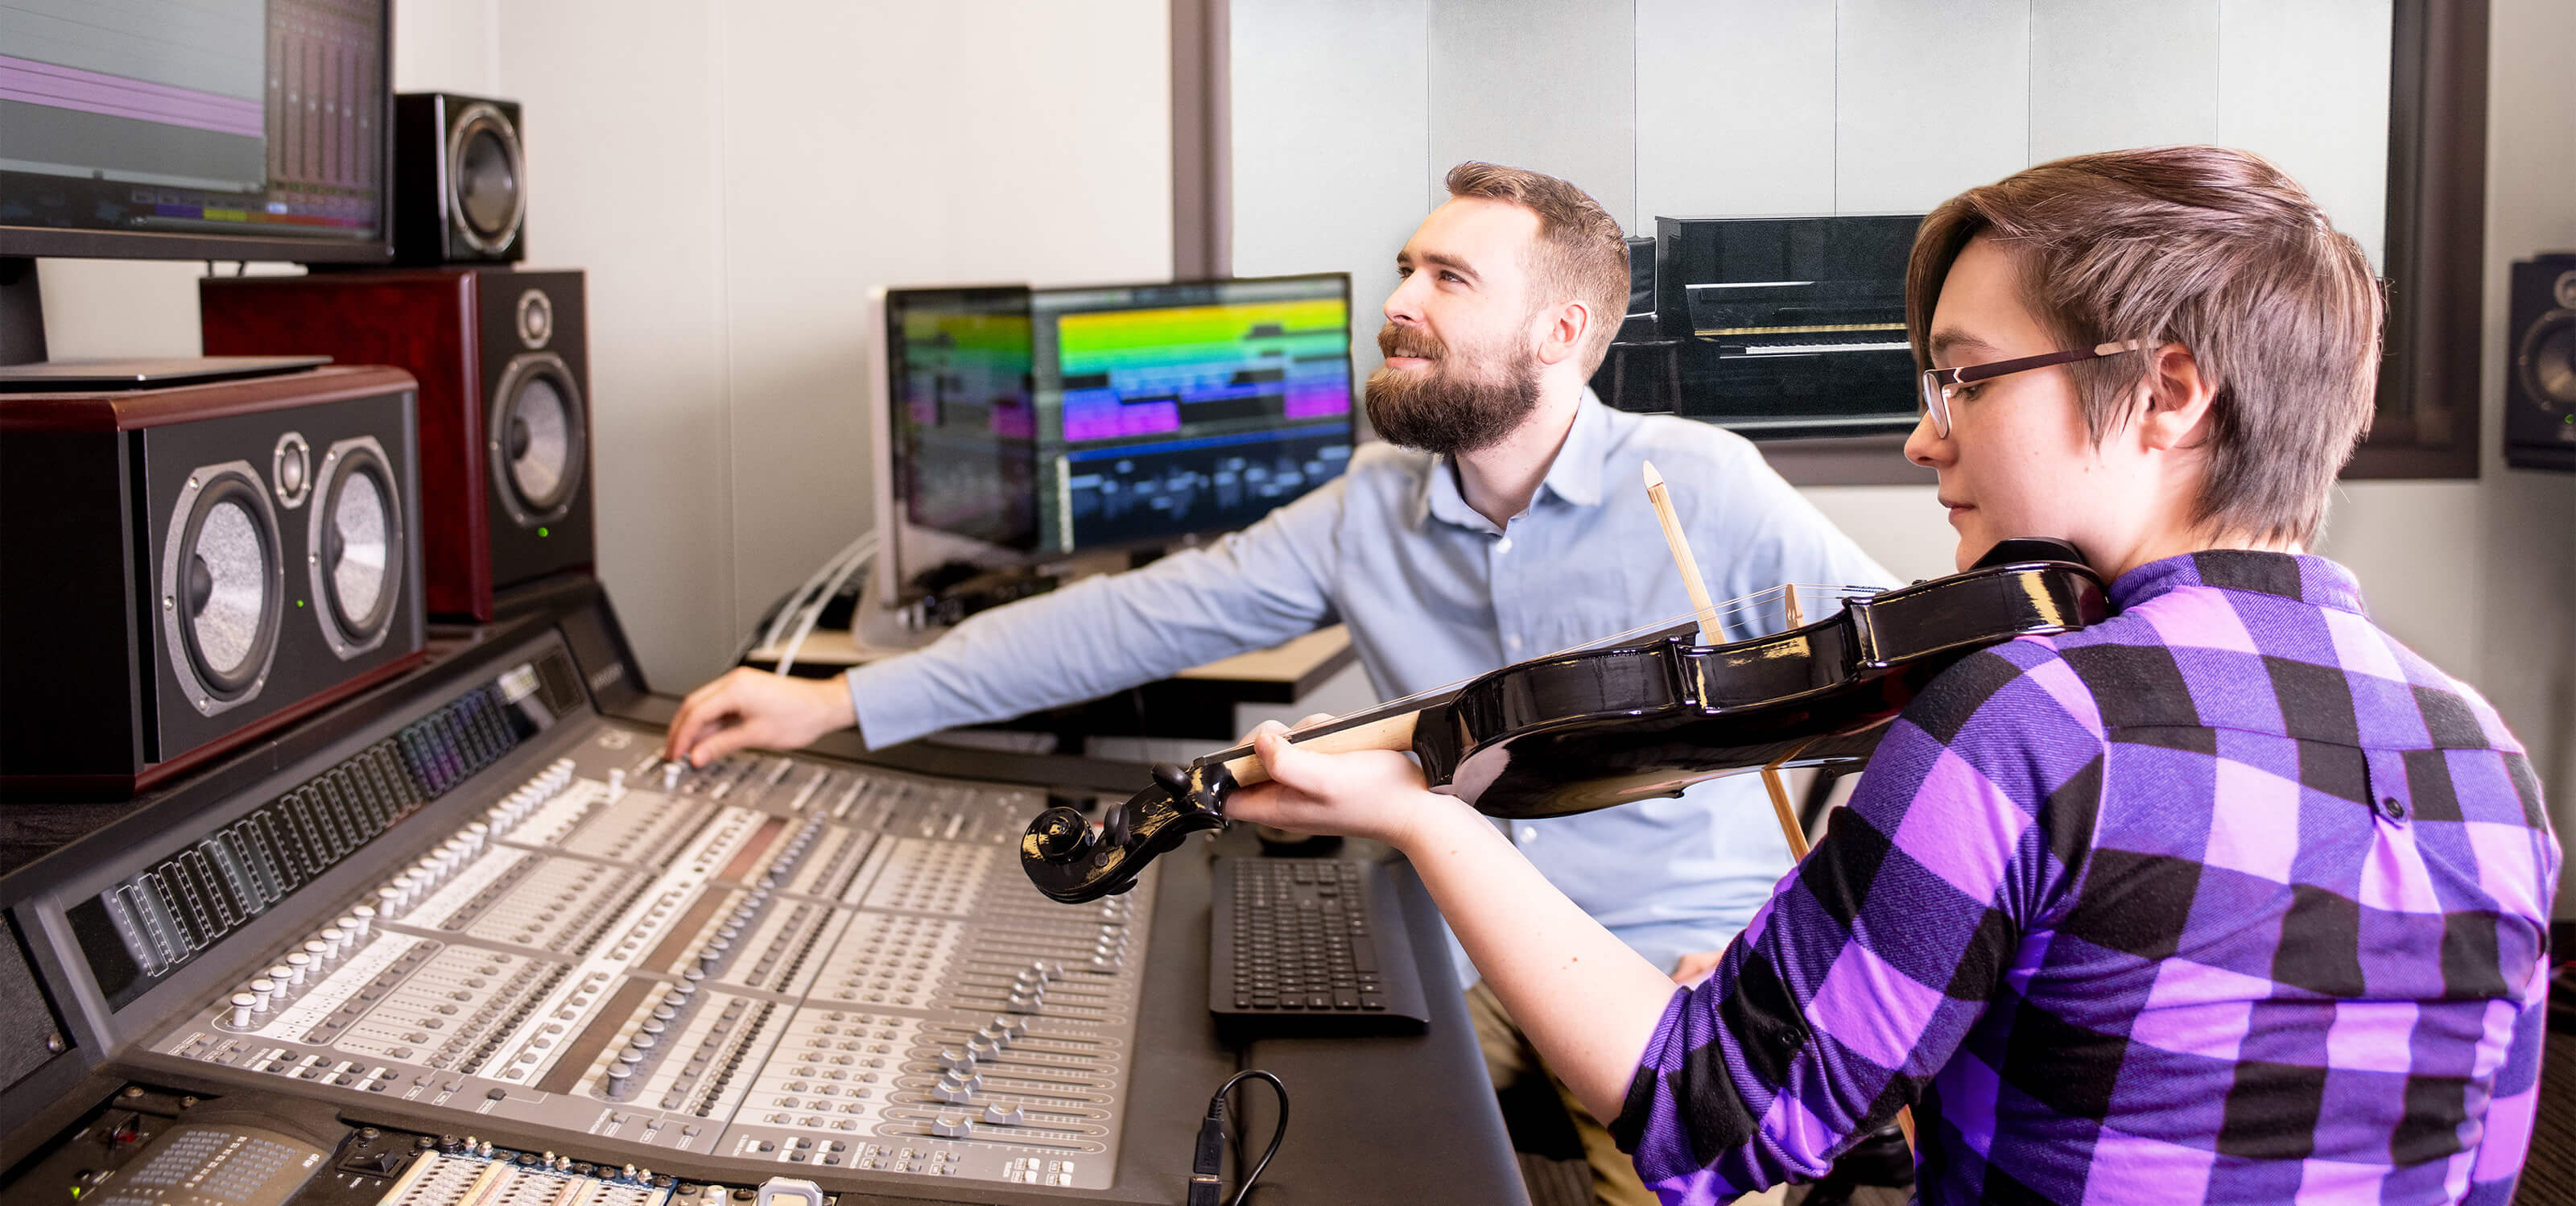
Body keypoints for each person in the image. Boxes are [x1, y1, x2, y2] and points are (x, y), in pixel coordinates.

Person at [1228, 146, 2556, 1205]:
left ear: (2169, 395)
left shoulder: (2033, 718)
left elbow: (1707, 1117)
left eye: (1965, 379)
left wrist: (1420, 807)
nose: (1926, 437)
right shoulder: (2490, 755)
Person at [665, 163, 1891, 1205]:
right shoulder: (1367, 507)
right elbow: (1127, 620)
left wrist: (1793, 946)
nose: (1398, 304)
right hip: (1458, 950)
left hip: (1664, 975)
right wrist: (841, 701)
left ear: (1561, 333)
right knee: (1291, 1160)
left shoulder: (1708, 485)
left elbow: (1936, 696)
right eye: (1407, 268)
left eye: (1448, 280)